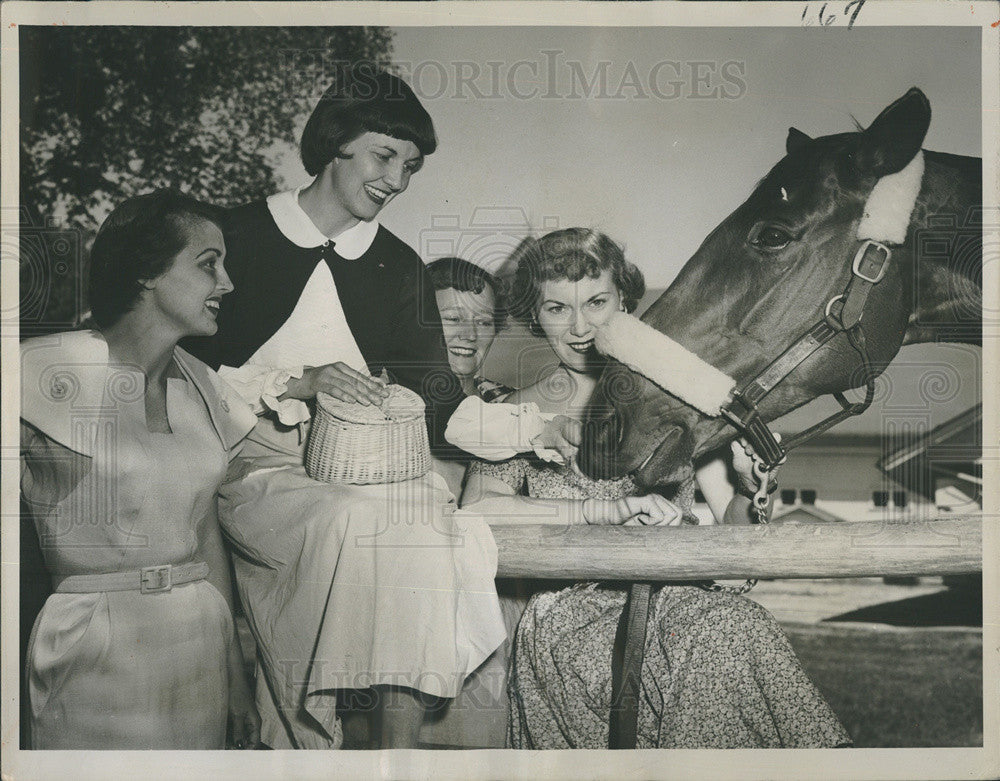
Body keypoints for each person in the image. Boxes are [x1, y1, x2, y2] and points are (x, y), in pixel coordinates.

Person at [184, 67, 506, 750]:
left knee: (420, 524)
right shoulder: (233, 236)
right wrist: (299, 380)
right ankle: (305, 741)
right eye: (383, 155)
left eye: (411, 167)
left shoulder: (398, 264)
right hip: (251, 474)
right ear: (335, 141)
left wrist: (538, 430)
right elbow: (179, 371)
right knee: (367, 521)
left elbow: (439, 394)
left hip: (365, 471)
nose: (397, 179)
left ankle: (397, 755)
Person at [460, 227, 852, 748]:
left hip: (689, 607)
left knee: (735, 623)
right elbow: (476, 511)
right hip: (572, 622)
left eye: (597, 302)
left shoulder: (682, 409)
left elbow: (736, 560)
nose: (581, 328)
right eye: (557, 309)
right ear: (534, 315)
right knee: (724, 633)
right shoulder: (513, 414)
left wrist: (751, 489)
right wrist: (608, 511)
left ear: (626, 300)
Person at [20, 191, 260, 749]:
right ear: (148, 272)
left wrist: (235, 678)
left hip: (199, 641)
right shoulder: (42, 371)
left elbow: (203, 535)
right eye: (208, 265)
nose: (226, 284)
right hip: (94, 644)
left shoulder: (205, 387)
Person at [427, 256, 512, 402]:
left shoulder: (515, 407)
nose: (471, 335)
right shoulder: (381, 405)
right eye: (454, 319)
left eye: (483, 322)